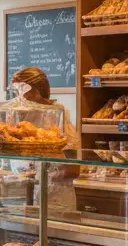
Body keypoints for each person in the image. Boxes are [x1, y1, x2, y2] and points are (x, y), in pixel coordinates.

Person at [10, 67, 80, 212]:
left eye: (23, 90)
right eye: (16, 90)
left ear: (38, 89)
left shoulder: (58, 116)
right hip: (21, 199)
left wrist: (40, 176)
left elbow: (74, 169)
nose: (19, 96)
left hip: (55, 200)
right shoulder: (18, 114)